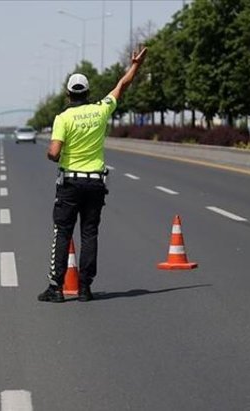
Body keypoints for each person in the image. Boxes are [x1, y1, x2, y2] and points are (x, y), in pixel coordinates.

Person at [38, 46, 148, 303]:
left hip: (70, 183)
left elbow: (54, 153)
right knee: (89, 233)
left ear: (68, 93)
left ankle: (56, 288)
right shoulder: (100, 110)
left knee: (63, 231)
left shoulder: (63, 118)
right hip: (96, 183)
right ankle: (85, 287)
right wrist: (136, 65)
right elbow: (122, 85)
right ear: (87, 93)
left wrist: (53, 152)